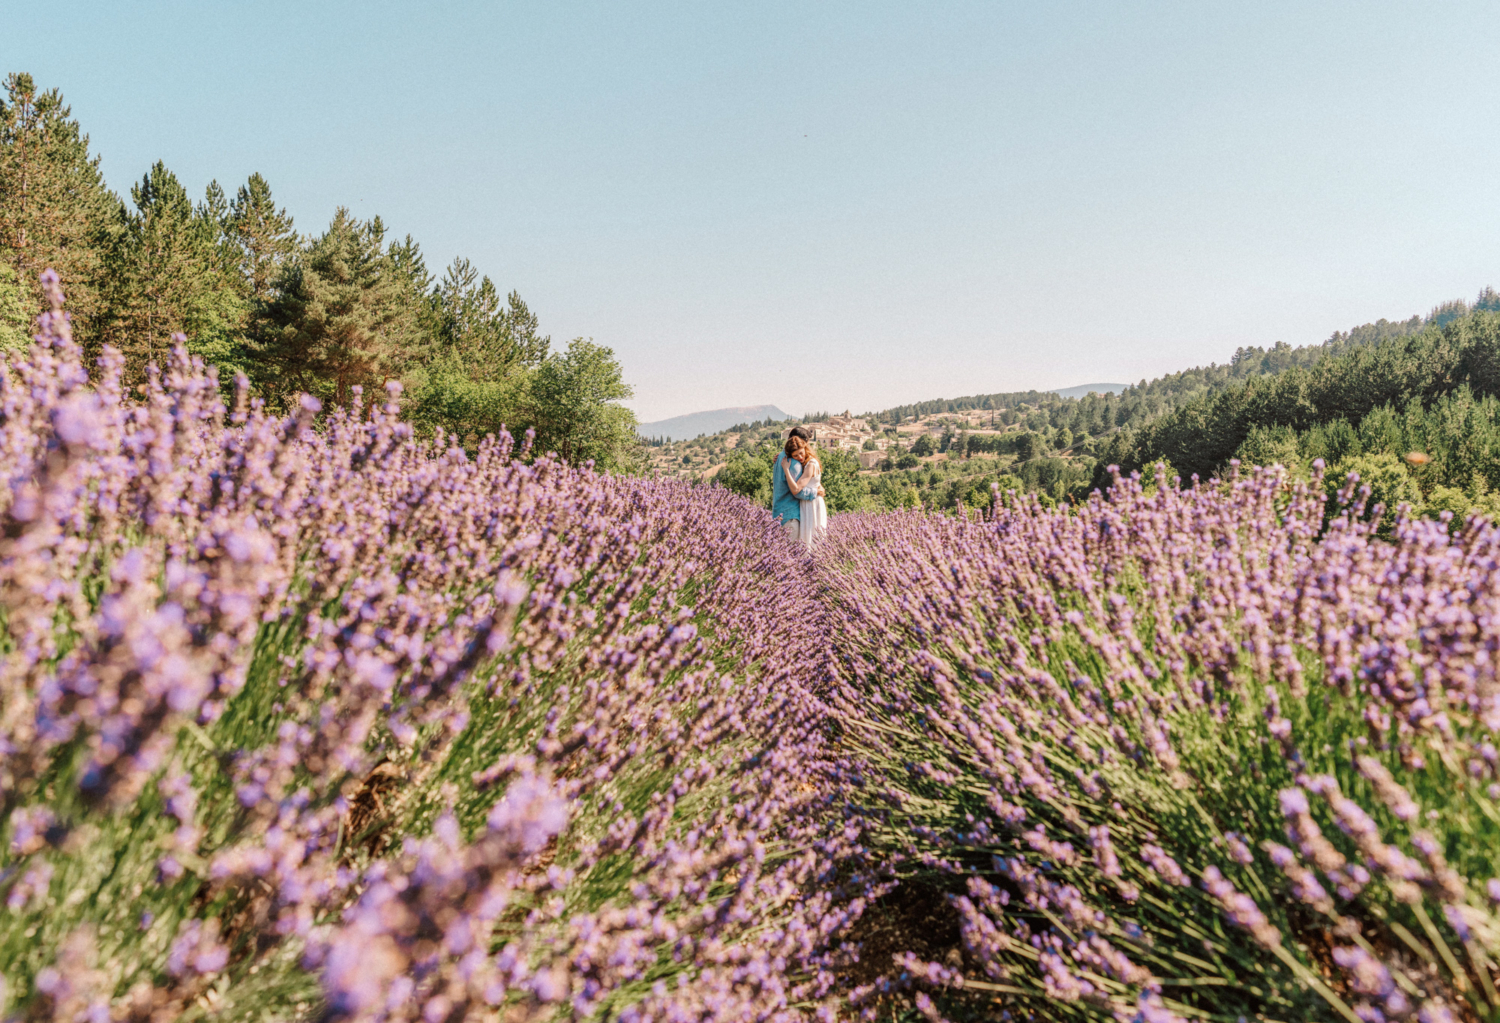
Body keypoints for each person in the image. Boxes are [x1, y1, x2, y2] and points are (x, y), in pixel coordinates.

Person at [771, 427, 819, 545]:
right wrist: (816, 491)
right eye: (805, 444)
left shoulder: (780, 458)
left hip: (778, 513)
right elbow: (797, 491)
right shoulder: (794, 464)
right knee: (791, 557)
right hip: (790, 516)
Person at [782, 435, 827, 550]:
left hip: (812, 504)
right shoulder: (809, 462)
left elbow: (796, 489)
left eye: (801, 453)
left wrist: (786, 470)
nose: (800, 457)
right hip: (810, 502)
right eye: (795, 455)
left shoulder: (810, 465)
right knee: (811, 538)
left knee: (811, 538)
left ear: (805, 449)